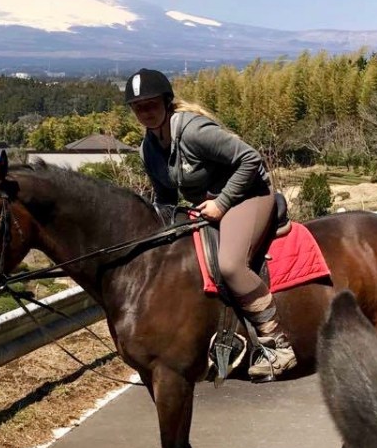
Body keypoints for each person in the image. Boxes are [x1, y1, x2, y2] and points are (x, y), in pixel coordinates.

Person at [124, 67, 297, 379]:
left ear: (166, 101)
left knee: (230, 264)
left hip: (249, 196)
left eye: (150, 104)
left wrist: (222, 202)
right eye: (138, 108)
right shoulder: (148, 148)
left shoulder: (193, 131)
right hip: (207, 206)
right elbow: (164, 196)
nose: (145, 112)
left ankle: (277, 345)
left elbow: (250, 159)